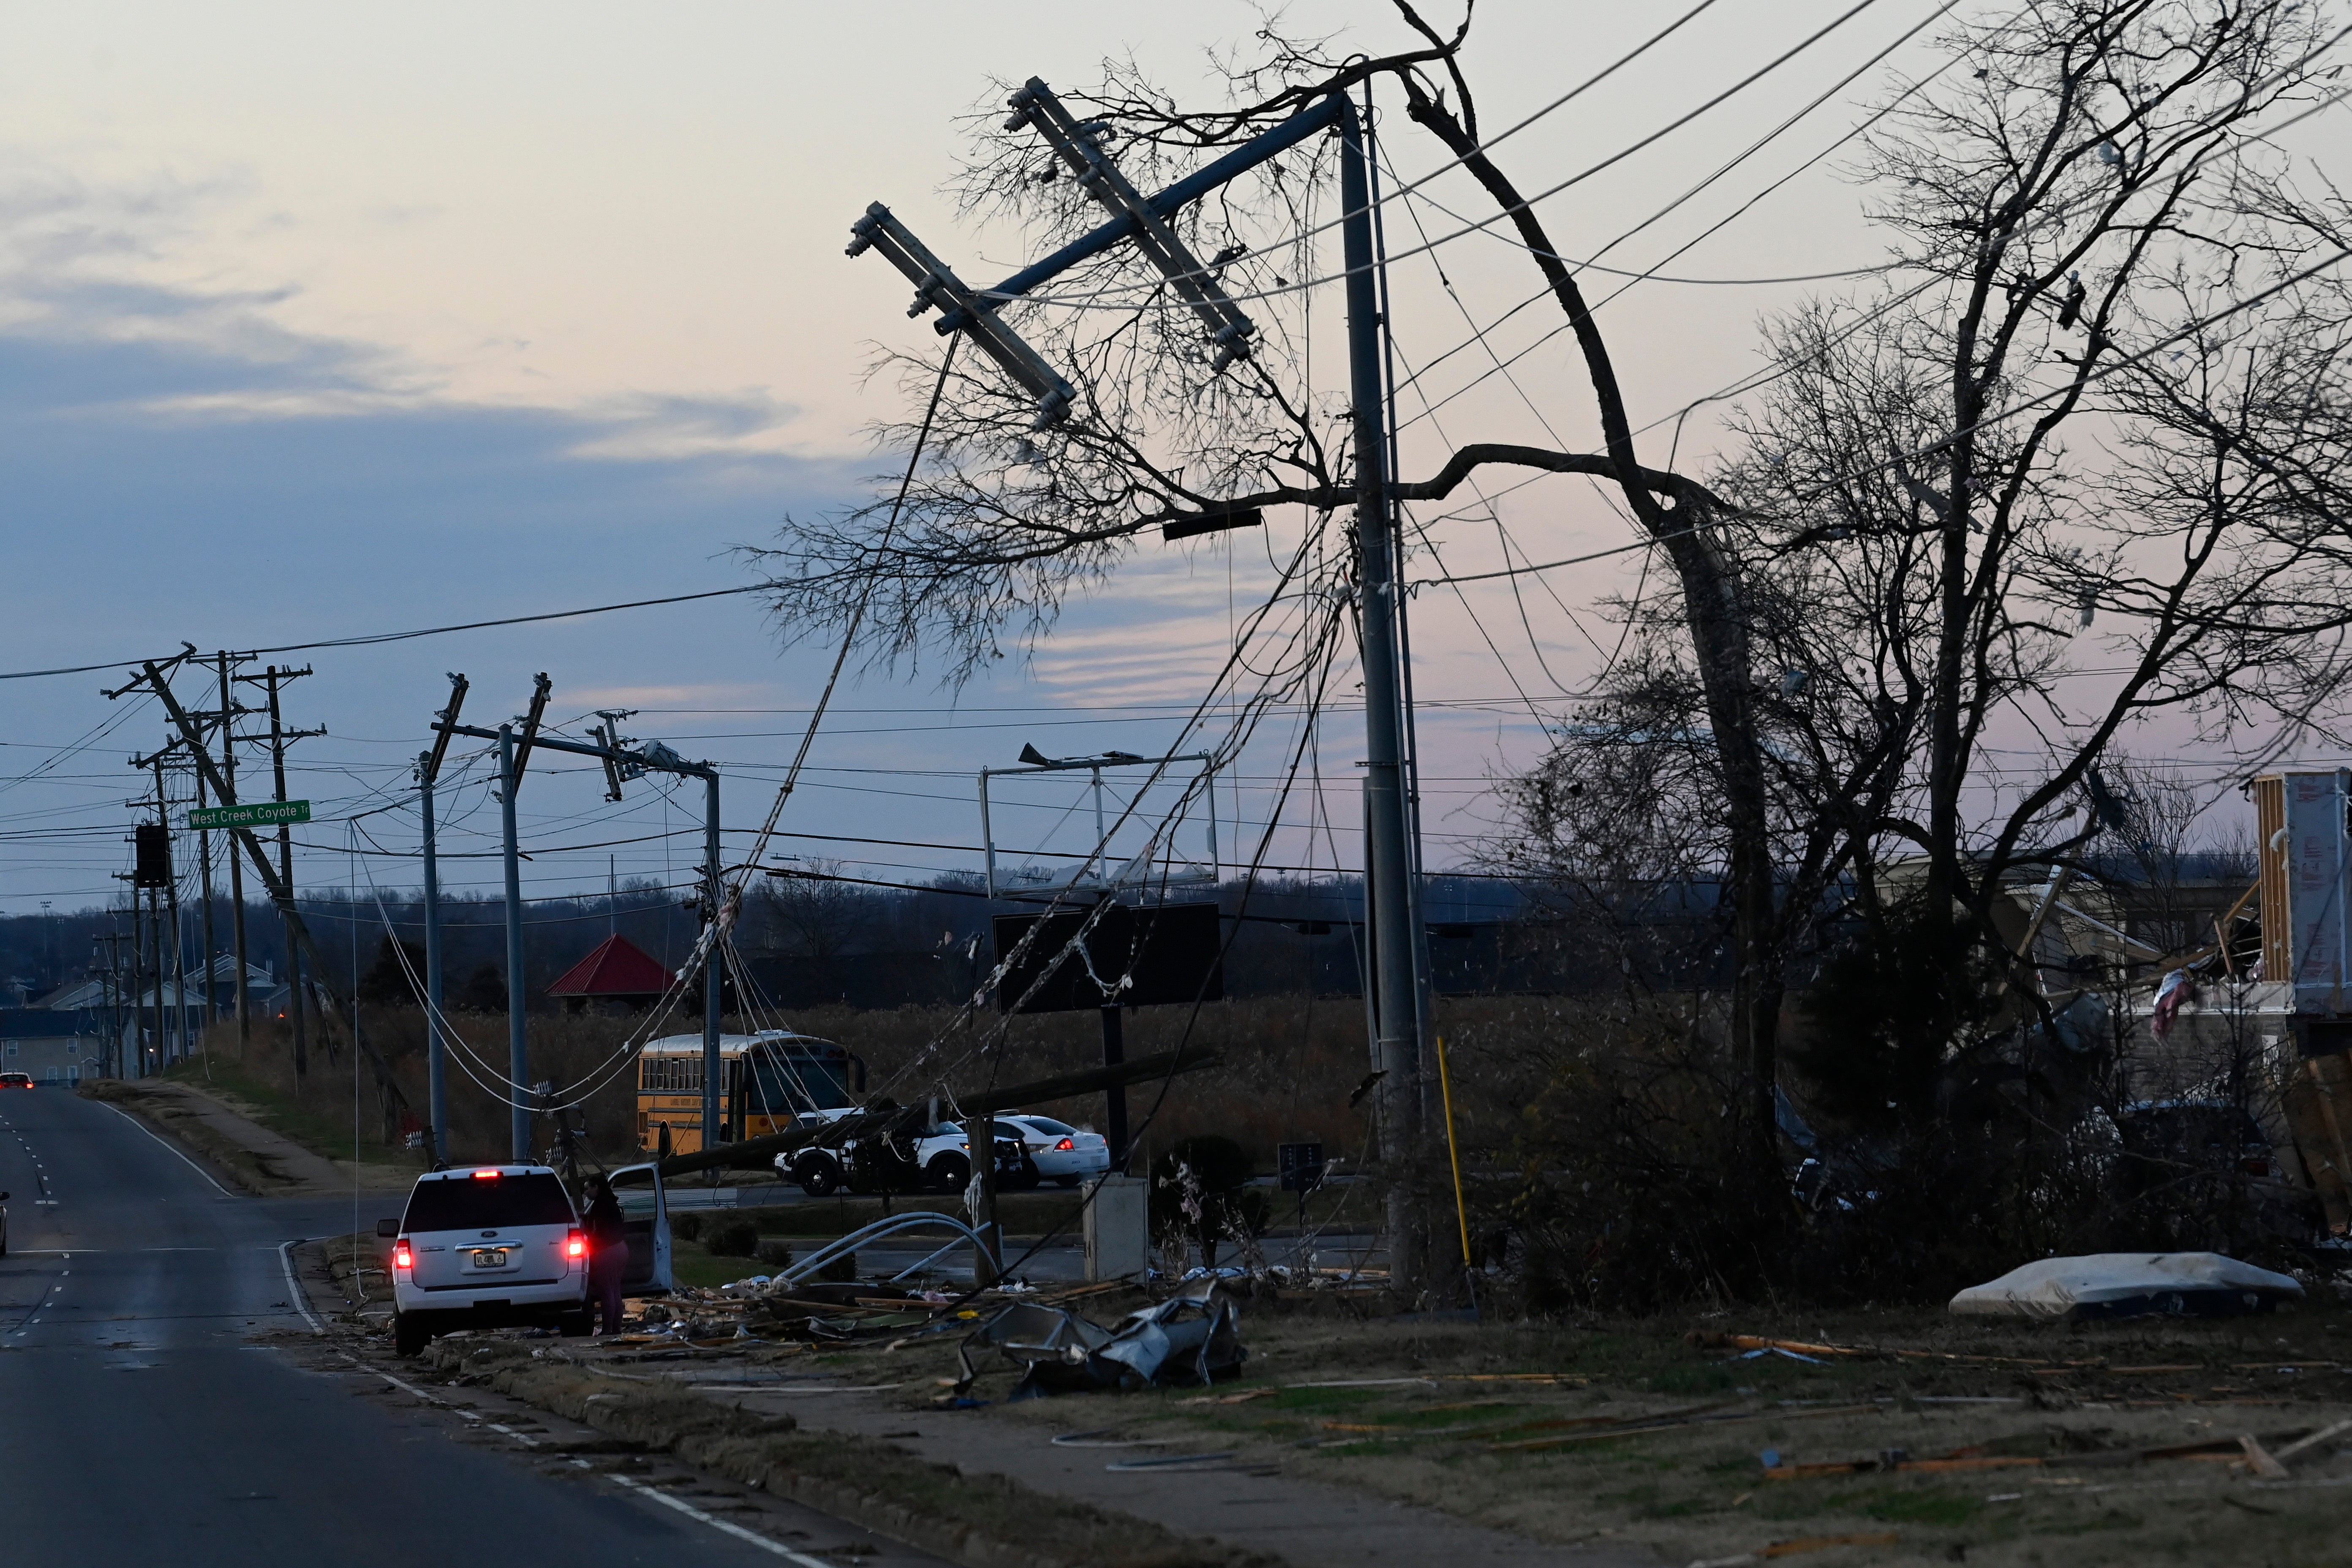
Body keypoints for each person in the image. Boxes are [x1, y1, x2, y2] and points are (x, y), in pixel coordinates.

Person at [582, 1174, 628, 1335]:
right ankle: (616, 1329)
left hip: (607, 1251)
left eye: (588, 1188)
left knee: (606, 1292)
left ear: (597, 1188)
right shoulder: (611, 1203)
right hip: (621, 1248)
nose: (586, 1193)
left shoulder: (600, 1207)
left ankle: (607, 1330)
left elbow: (595, 1232)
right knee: (615, 1290)